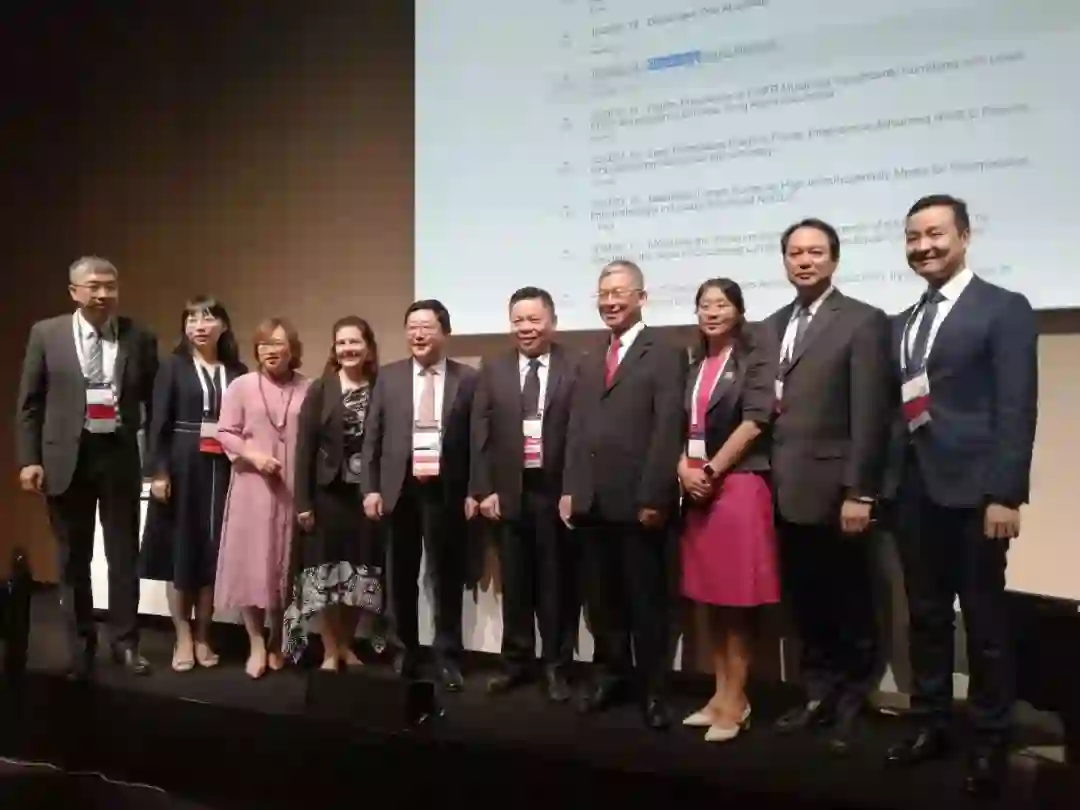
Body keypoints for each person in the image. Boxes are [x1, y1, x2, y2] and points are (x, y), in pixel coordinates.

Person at [884, 195, 1038, 799]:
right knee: (925, 618)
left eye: (935, 234)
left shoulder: (1003, 308)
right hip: (912, 492)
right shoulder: (901, 322)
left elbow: (1016, 406)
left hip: (976, 495)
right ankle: (931, 724)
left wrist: (1006, 493)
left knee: (984, 622)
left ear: (965, 236)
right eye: (913, 237)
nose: (923, 246)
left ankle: (990, 739)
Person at [763, 219, 893, 753]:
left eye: (815, 252)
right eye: (795, 253)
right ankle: (816, 693)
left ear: (834, 260)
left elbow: (871, 414)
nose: (804, 261)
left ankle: (852, 702)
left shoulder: (863, 321)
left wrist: (860, 491)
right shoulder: (771, 325)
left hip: (838, 493)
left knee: (851, 602)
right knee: (806, 602)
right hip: (783, 491)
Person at [15, 256, 158, 679]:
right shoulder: (47, 333)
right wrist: (29, 459)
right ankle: (81, 647)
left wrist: (152, 457)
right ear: (74, 291)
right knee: (73, 558)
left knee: (123, 556)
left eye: (110, 286)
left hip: (118, 456)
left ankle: (126, 643)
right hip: (66, 458)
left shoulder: (138, 336)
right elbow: (30, 403)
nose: (103, 294)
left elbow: (154, 402)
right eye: (94, 286)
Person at [561, 260, 687, 730]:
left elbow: (667, 429)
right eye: (604, 293)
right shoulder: (589, 356)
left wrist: (655, 496)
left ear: (641, 297)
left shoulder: (666, 353)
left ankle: (654, 690)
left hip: (640, 504)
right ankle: (609, 677)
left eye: (620, 293)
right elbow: (576, 430)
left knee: (647, 603)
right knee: (602, 602)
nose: (611, 301)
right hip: (592, 504)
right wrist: (571, 489)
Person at [677, 278, 781, 742]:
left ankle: (738, 700)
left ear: (738, 311)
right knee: (713, 599)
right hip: (698, 489)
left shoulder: (753, 359)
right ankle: (719, 696)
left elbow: (756, 422)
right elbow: (682, 427)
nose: (712, 312)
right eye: (704, 305)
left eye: (721, 304)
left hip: (738, 486)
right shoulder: (695, 364)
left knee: (737, 604)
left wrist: (711, 470)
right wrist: (683, 469)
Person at [470, 286, 579, 702]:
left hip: (555, 494)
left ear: (552, 322)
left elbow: (583, 432)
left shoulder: (576, 365)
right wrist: (483, 489)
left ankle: (556, 667)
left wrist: (575, 489)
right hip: (510, 492)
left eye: (534, 319)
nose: (526, 328)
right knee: (515, 585)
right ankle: (516, 664)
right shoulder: (493, 367)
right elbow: (480, 432)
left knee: (556, 586)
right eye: (518, 320)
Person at [361, 300, 477, 689]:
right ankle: (404, 649)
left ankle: (447, 656)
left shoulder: (468, 378)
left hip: (446, 489)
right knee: (400, 573)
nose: (418, 334)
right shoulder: (389, 377)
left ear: (445, 332)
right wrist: (370, 488)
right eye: (412, 327)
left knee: (445, 575)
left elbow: (479, 442)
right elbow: (372, 437)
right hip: (399, 488)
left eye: (427, 327)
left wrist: (475, 490)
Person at [140, 296, 247, 672]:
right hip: (182, 466)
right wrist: (158, 471)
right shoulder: (172, 366)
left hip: (224, 467)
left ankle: (204, 634)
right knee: (181, 553)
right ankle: (182, 635)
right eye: (191, 319)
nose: (199, 326)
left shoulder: (237, 371)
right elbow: (158, 422)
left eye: (207, 318)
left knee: (212, 554)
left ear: (224, 326)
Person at [214, 317, 311, 679]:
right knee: (251, 564)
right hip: (252, 487)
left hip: (292, 489)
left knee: (284, 565)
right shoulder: (241, 386)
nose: (270, 351)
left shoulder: (309, 387)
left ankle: (277, 637)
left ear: (292, 349)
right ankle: (255, 641)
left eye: (278, 344)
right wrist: (253, 455)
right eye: (263, 345)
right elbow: (225, 431)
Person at [285, 316, 385, 670]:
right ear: (334, 348)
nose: (348, 349)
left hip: (367, 497)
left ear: (368, 347)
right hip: (326, 496)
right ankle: (329, 648)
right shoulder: (321, 389)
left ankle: (347, 644)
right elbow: (304, 449)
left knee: (360, 575)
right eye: (341, 342)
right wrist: (303, 502)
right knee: (324, 576)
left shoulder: (382, 386)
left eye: (354, 342)